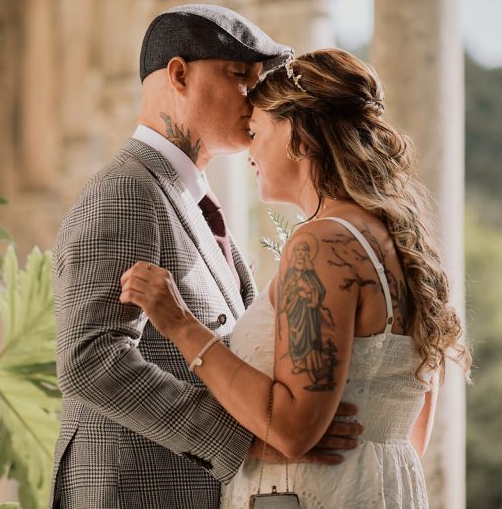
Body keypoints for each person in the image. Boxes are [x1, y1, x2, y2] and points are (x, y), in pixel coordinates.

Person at [121, 47, 472, 508]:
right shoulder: (401, 243)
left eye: (256, 131)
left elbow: (290, 430)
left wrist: (181, 325)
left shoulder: (321, 244)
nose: (249, 152)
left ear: (300, 137)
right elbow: (408, 435)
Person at [52, 8, 362, 509]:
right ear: (179, 75)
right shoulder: (124, 194)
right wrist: (244, 441)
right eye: (240, 76)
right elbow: (91, 360)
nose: (256, 97)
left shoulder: (188, 196)